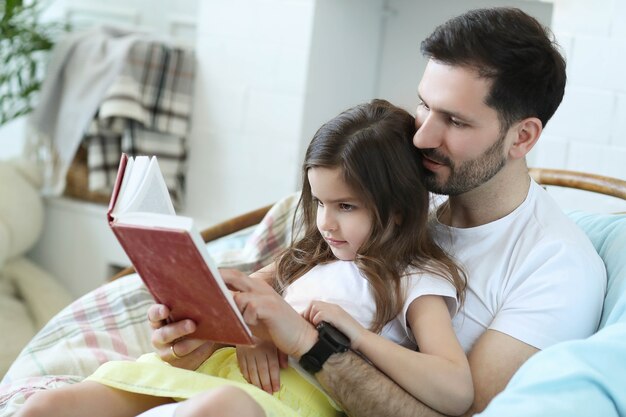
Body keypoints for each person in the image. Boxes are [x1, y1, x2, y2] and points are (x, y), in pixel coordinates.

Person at [149, 7, 607, 417]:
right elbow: (266, 292)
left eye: (455, 121)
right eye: (425, 105)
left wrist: (312, 346)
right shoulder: (403, 190)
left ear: (522, 137)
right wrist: (193, 335)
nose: (423, 136)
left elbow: (461, 412)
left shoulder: (555, 265)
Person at [16, 100, 474, 417]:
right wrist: (240, 332)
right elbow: (241, 301)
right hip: (209, 376)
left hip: (274, 402)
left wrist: (351, 337)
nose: (325, 224)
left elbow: (455, 391)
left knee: (221, 408)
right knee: (45, 407)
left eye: (346, 207)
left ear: (397, 208)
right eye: (319, 203)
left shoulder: (414, 278)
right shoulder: (307, 257)